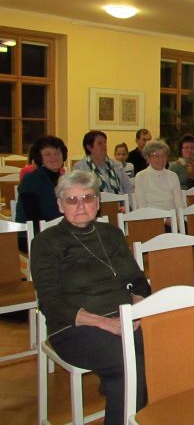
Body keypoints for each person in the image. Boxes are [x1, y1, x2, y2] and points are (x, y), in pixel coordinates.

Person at [30, 170, 150, 425]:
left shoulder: (111, 233)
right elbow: (50, 303)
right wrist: (106, 323)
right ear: (60, 205)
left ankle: (142, 413)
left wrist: (138, 302)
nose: (80, 205)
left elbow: (138, 278)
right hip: (74, 326)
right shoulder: (46, 242)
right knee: (128, 363)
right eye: (71, 200)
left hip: (125, 317)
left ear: (97, 202)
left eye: (87, 198)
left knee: (170, 346)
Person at [16, 135, 68, 241]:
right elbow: (33, 216)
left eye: (57, 153)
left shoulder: (64, 179)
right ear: (40, 158)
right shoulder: (31, 180)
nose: (54, 158)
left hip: (58, 230)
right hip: (33, 235)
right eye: (48, 154)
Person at [74, 130, 133, 195]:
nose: (104, 145)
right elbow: (79, 192)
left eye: (105, 142)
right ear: (89, 147)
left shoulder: (117, 165)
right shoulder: (80, 167)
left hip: (119, 201)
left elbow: (129, 188)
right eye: (100, 143)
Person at [134, 140, 184, 211]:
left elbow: (179, 204)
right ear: (148, 158)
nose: (161, 159)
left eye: (163, 155)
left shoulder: (173, 176)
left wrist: (180, 216)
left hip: (172, 216)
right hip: (151, 216)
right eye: (156, 156)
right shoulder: (141, 177)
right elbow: (142, 206)